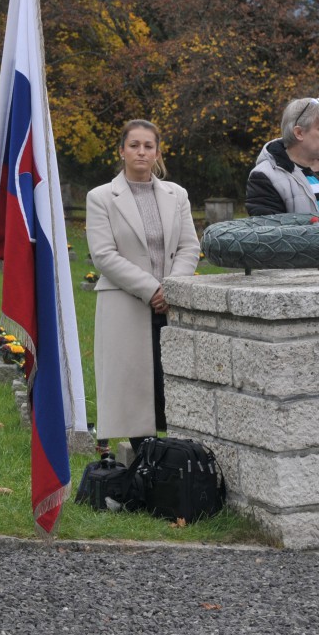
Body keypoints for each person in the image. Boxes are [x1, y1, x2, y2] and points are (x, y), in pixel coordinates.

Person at [85, 120, 200, 454]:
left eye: (148, 146)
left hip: (171, 305)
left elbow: (189, 246)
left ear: (157, 152)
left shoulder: (177, 195)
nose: (141, 152)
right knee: (133, 389)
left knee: (172, 383)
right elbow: (104, 255)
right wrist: (152, 290)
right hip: (126, 304)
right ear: (121, 151)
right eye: (134, 145)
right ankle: (144, 458)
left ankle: (175, 456)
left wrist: (171, 289)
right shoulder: (101, 198)